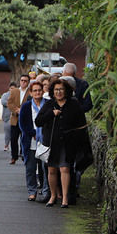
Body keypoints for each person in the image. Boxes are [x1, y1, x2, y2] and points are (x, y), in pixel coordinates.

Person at [34, 78, 86, 208]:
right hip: (52, 143)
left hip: (68, 143)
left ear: (66, 91)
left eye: (61, 89)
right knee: (51, 170)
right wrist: (51, 114)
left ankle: (65, 198)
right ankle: (52, 196)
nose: (59, 92)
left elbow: (81, 124)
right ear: (52, 91)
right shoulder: (49, 104)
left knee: (65, 168)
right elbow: (38, 121)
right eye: (56, 89)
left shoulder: (73, 104)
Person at [18, 80, 50, 202]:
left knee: (45, 168)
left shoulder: (47, 104)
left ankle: (46, 191)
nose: (37, 93)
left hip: (45, 140)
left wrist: (43, 133)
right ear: (30, 93)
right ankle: (32, 191)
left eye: (39, 90)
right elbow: (23, 124)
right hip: (30, 141)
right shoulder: (26, 106)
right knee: (31, 168)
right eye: (35, 90)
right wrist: (33, 133)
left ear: (43, 91)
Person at [7, 78, 21, 164]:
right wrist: (16, 110)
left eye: (25, 81)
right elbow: (10, 103)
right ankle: (14, 156)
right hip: (15, 119)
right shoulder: (15, 91)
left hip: (25, 119)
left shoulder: (29, 91)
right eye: (22, 80)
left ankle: (23, 154)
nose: (23, 82)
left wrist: (22, 110)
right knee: (13, 139)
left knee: (25, 138)